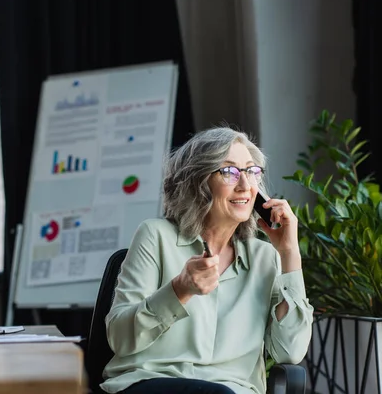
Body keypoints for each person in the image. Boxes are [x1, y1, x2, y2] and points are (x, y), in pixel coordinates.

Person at [100, 126, 314, 394]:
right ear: (198, 182)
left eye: (251, 171)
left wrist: (289, 253)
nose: (245, 185)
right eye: (229, 172)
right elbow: (120, 339)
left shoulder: (265, 257)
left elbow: (289, 352)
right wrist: (179, 290)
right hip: (153, 382)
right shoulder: (155, 236)